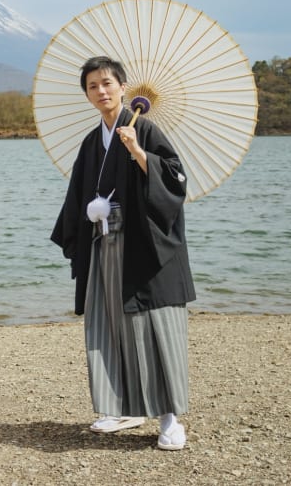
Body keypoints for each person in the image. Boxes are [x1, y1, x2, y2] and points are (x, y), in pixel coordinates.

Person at [50, 56, 196, 451]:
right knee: (109, 325)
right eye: (93, 85)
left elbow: (176, 182)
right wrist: (89, 212)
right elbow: (80, 193)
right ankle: (120, 406)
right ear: (87, 93)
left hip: (145, 251)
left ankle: (170, 419)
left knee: (153, 329)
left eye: (108, 83)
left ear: (123, 87)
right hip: (105, 247)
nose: (101, 90)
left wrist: (140, 154)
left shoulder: (144, 129)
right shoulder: (90, 140)